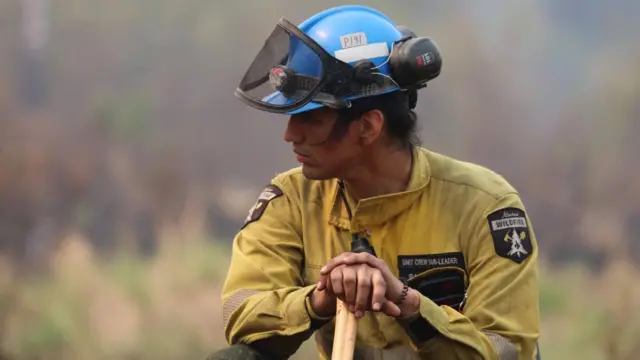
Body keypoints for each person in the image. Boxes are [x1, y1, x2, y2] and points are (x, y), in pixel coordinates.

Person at [207, 5, 541, 360]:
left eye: (312, 119)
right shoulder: (291, 200)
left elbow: (507, 350)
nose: (290, 135)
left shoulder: (486, 206)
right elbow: (242, 313)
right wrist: (321, 298)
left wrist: (406, 302)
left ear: (368, 126)